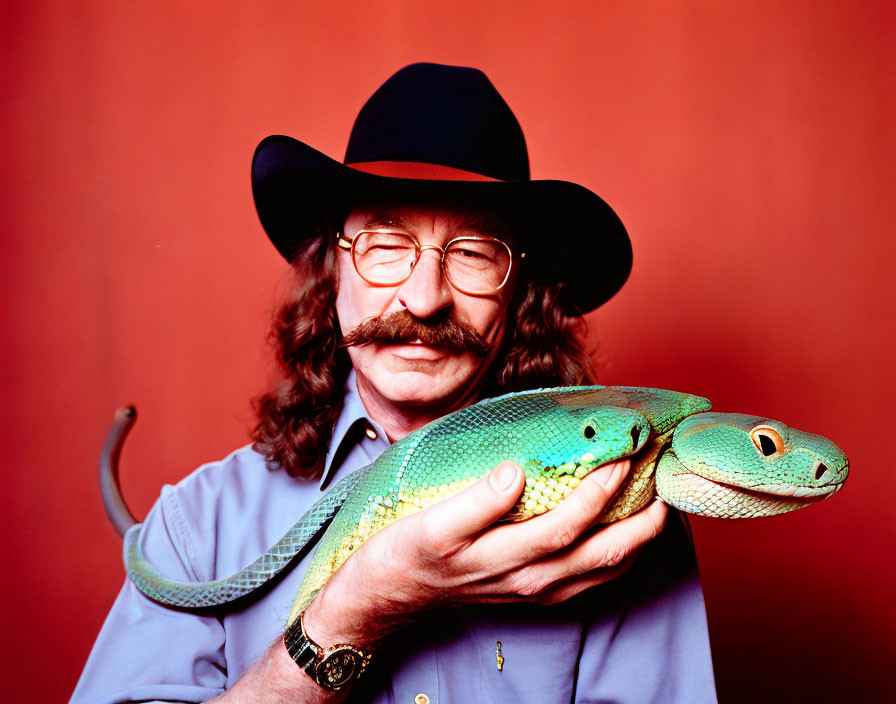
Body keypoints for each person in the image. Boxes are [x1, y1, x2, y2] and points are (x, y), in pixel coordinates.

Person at [72, 63, 717, 703]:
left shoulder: (622, 510)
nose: (424, 297)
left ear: (521, 293)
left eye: (472, 251)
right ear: (332, 270)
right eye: (385, 243)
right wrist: (356, 607)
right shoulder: (199, 525)